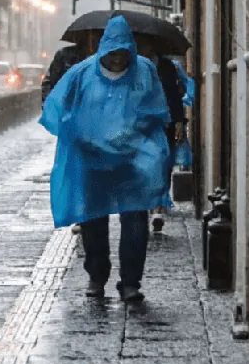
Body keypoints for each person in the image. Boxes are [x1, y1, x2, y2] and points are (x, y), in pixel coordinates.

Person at [40, 16, 172, 301]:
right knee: (93, 221)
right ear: (103, 50)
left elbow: (157, 110)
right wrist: (81, 136)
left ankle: (130, 283)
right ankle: (97, 277)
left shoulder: (145, 72)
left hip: (132, 159)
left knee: (135, 221)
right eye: (112, 54)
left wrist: (131, 136)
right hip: (92, 158)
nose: (117, 61)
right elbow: (59, 108)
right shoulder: (81, 74)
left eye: (123, 54)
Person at [41, 30, 103, 236]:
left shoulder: (107, 57)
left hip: (99, 124)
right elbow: (50, 83)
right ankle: (82, 215)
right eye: (90, 38)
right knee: (76, 169)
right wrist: (54, 110)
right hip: (72, 122)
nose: (93, 42)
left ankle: (92, 214)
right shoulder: (65, 57)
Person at [135, 36, 186, 233]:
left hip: (165, 123)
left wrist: (180, 121)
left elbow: (174, 96)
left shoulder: (166, 67)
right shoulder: (133, 66)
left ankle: (158, 207)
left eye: (145, 45)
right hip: (141, 125)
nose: (143, 48)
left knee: (164, 164)